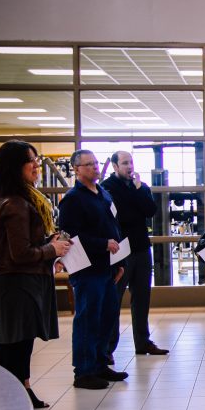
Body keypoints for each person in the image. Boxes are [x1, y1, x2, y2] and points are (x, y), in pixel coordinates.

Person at [0, 141, 70, 410]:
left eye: (37, 159)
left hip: (17, 284)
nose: (36, 166)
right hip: (15, 285)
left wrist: (50, 246)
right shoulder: (16, 205)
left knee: (15, 349)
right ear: (13, 167)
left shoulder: (12, 200)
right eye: (31, 161)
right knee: (13, 350)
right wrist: (52, 249)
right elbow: (20, 254)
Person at [58, 149, 128, 390]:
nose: (94, 168)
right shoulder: (73, 199)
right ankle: (84, 371)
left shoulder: (103, 194)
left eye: (96, 163)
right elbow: (69, 235)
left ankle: (100, 364)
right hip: (87, 268)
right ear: (76, 170)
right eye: (88, 165)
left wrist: (119, 263)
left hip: (107, 267)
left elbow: (113, 227)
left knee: (106, 316)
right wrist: (102, 244)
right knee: (88, 319)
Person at [101, 150, 168, 358]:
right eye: (124, 163)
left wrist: (139, 191)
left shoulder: (141, 187)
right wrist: (136, 202)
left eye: (131, 162)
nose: (129, 167)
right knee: (115, 297)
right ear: (114, 166)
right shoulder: (107, 188)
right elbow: (122, 215)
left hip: (141, 247)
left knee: (142, 297)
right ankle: (108, 347)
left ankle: (143, 341)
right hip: (120, 250)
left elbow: (150, 211)